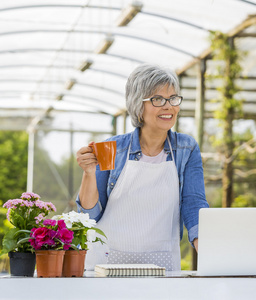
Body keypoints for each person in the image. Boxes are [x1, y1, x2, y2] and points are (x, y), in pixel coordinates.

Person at [75, 64, 209, 271]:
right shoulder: (112, 148)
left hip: (162, 266)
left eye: (173, 98)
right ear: (138, 105)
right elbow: (89, 216)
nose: (168, 106)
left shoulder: (186, 148)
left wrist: (211, 252)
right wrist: (89, 173)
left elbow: (193, 204)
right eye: (158, 100)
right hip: (106, 264)